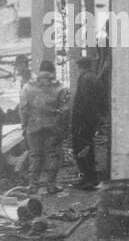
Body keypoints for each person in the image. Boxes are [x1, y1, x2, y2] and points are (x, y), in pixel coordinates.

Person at [20, 60, 69, 195]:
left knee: (35, 156)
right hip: (53, 128)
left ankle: (33, 185)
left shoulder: (27, 87)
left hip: (33, 127)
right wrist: (64, 129)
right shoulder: (61, 88)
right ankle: (51, 185)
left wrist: (24, 126)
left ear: (39, 71)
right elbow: (65, 111)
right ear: (53, 72)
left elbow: (23, 109)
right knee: (52, 155)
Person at [70, 56, 105, 190]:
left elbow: (85, 103)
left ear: (80, 67)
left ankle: (88, 179)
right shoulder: (95, 77)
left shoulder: (85, 79)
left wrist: (79, 123)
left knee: (81, 150)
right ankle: (89, 178)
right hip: (90, 122)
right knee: (87, 150)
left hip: (82, 122)